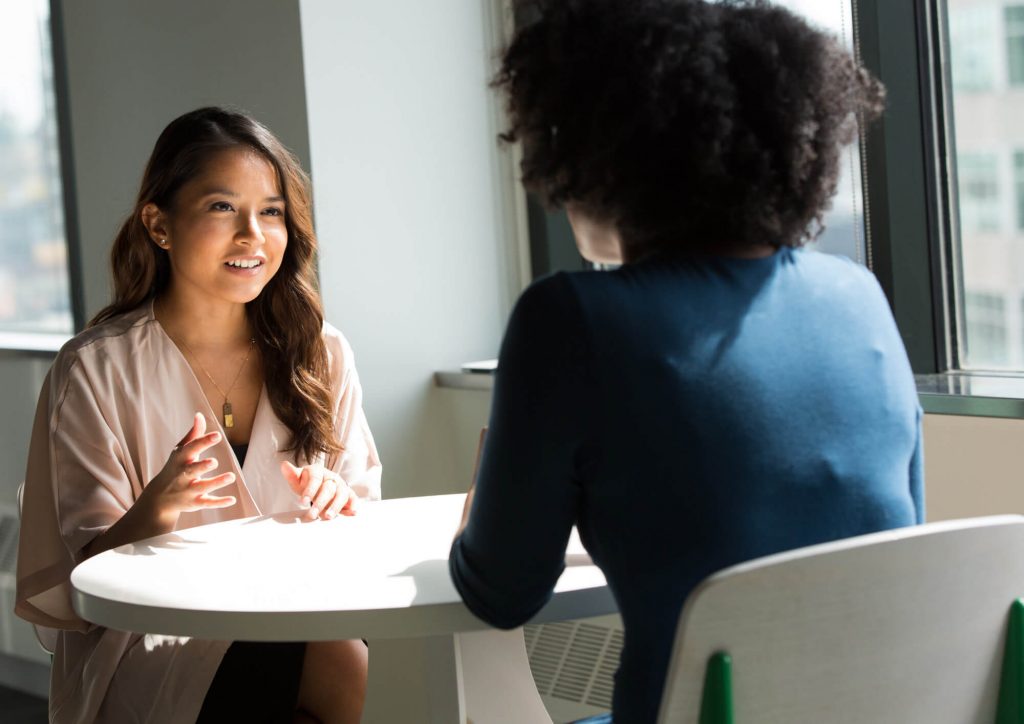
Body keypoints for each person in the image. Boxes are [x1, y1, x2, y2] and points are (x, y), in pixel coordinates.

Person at [449, 1, 924, 722]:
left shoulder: (571, 319)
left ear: (598, 154)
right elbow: (894, 539)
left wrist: (479, 509)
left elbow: (501, 594)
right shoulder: (859, 298)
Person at [16, 107, 381, 724]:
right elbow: (79, 591)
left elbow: (367, 526)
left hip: (299, 614)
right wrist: (150, 513)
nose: (253, 235)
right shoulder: (94, 371)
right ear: (159, 225)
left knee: (343, 648)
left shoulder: (321, 352)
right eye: (221, 208)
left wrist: (337, 500)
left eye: (271, 211)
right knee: (337, 655)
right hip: (151, 645)